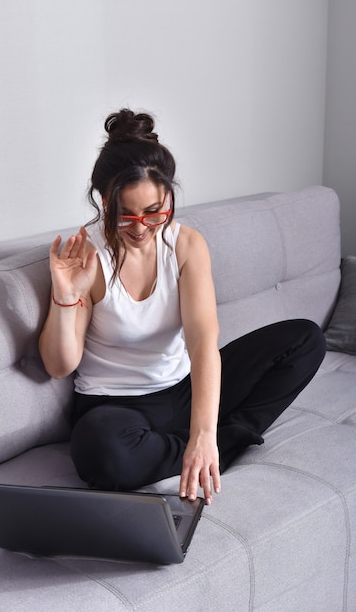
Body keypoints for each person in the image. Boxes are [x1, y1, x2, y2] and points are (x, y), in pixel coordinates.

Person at [39, 109, 326, 506]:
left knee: (304, 339)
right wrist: (66, 295)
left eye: (155, 211)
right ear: (104, 202)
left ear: (169, 195)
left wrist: (203, 435)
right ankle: (220, 448)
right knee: (100, 453)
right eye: (126, 216)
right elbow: (58, 366)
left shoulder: (187, 244)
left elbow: (203, 343)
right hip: (116, 409)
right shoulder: (89, 254)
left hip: (182, 390)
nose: (141, 227)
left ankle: (211, 447)